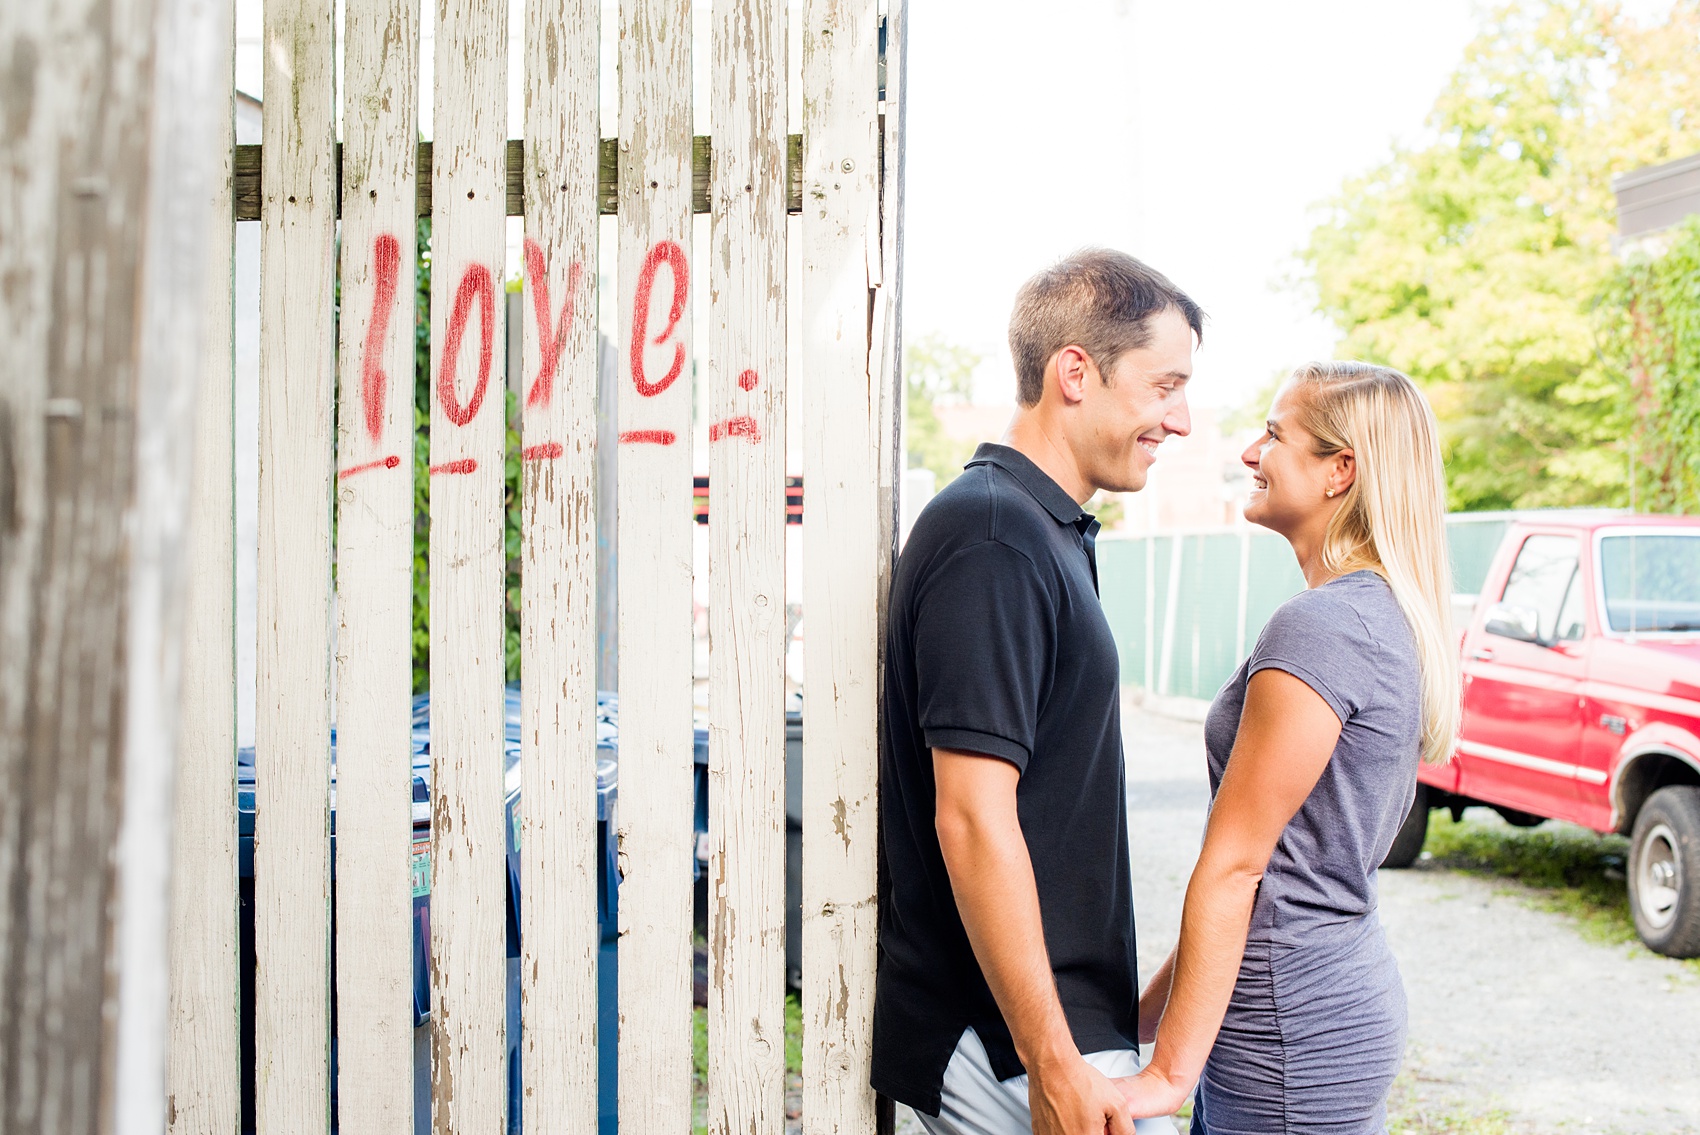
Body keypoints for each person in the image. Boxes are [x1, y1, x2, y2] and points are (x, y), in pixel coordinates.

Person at [872, 248, 1202, 1135]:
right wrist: (1054, 1061)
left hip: (1053, 1036)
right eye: (1164, 385)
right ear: (1074, 372)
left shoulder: (1042, 529)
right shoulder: (995, 536)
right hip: (1012, 1046)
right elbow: (972, 815)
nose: (1182, 418)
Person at [1117, 362, 1459, 1134]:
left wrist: (1168, 1074)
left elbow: (1238, 867)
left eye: (1274, 434)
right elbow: (1281, 870)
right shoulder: (1375, 615)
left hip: (1289, 1030)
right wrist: (1144, 1017)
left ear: (1341, 470)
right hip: (1317, 1001)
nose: (1247, 453)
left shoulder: (1324, 627)